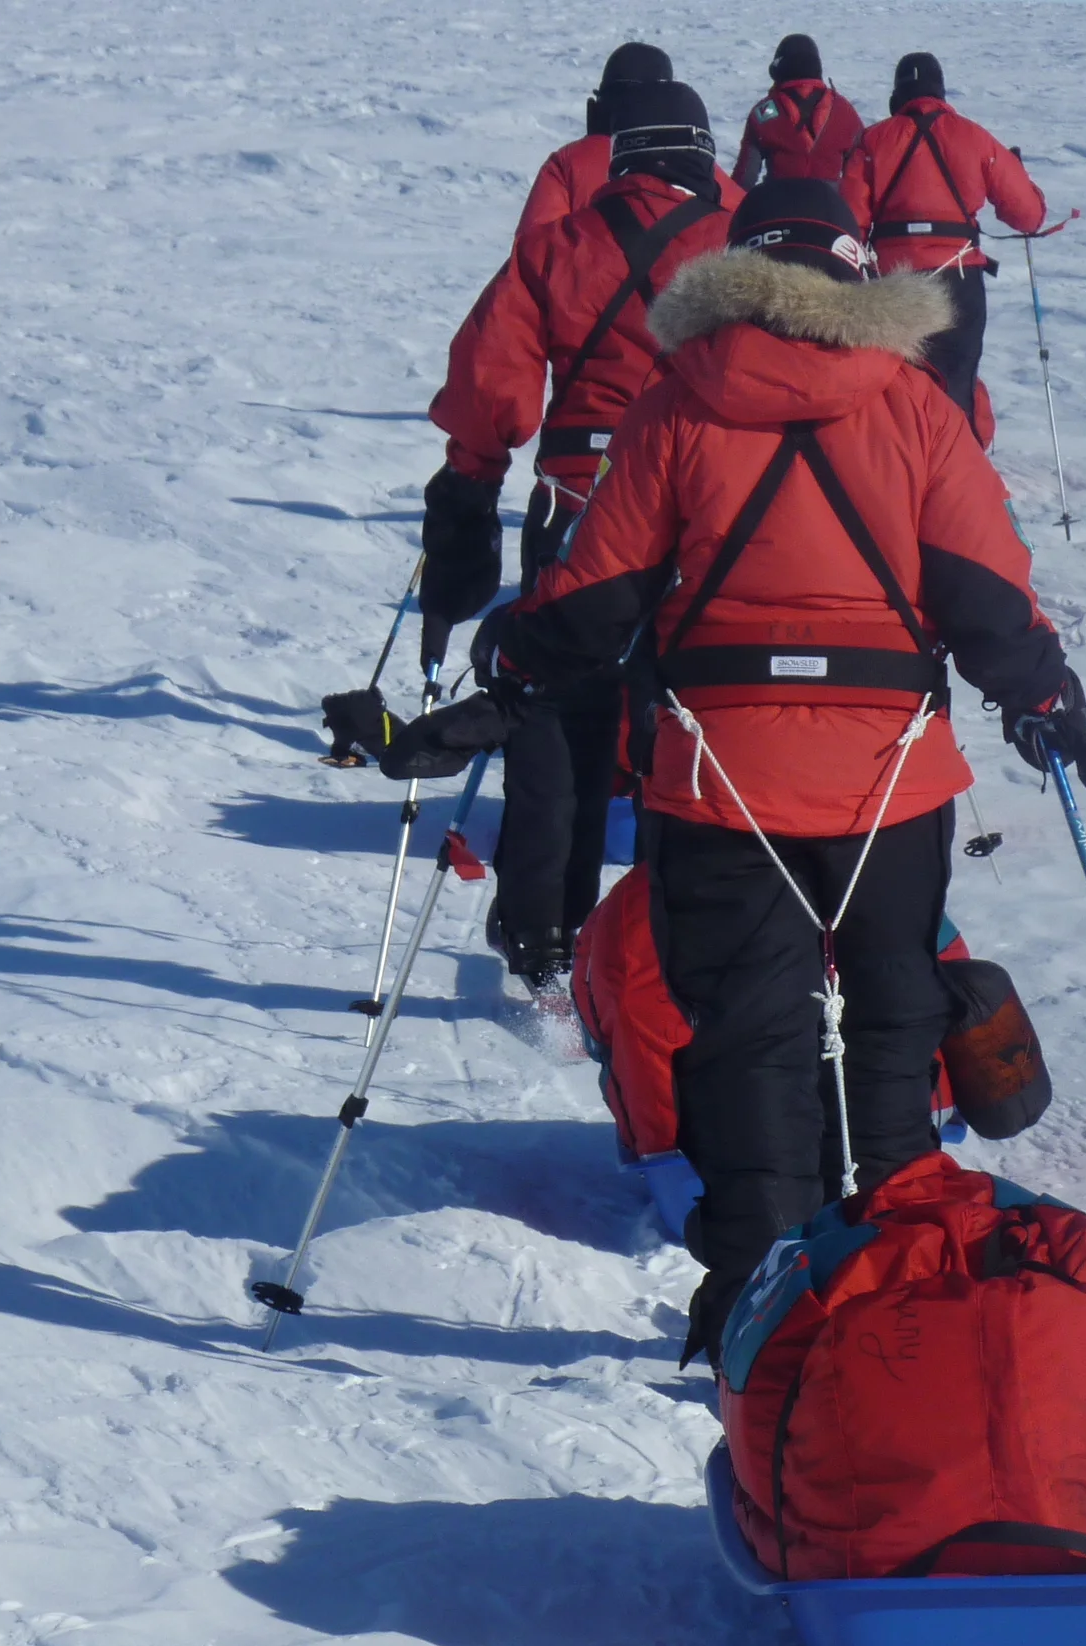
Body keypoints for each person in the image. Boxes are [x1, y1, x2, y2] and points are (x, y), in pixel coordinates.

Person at [465, 178, 1086, 1361]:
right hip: (891, 782)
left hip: (718, 784)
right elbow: (983, 595)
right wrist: (1041, 695)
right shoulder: (919, 409)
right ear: (856, 278)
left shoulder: (677, 405)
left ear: (738, 276)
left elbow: (596, 601)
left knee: (745, 1035)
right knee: (890, 1021)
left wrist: (508, 652)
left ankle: (755, 1306)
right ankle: (897, 1281)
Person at [420, 82, 734, 989]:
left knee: (556, 722)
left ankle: (542, 934)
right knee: (690, 719)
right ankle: (676, 946)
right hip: (699, 511)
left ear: (622, 152)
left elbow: (489, 383)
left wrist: (472, 486)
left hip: (572, 504)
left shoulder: (559, 246)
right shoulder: (737, 241)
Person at [840, 53, 1046, 437]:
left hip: (895, 285)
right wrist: (1020, 173)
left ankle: (902, 471)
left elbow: (850, 223)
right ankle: (960, 474)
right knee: (956, 383)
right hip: (959, 278)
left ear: (897, 94)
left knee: (897, 387)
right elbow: (1027, 216)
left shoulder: (872, 141)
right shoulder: (974, 136)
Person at [515, 43, 746, 240]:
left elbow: (529, 254)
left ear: (597, 108)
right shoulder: (699, 165)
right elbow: (746, 226)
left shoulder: (568, 163)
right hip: (690, 289)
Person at [730, 34, 865, 189]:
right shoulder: (843, 111)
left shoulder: (764, 112)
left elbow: (743, 180)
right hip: (830, 209)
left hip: (777, 207)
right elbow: (860, 178)